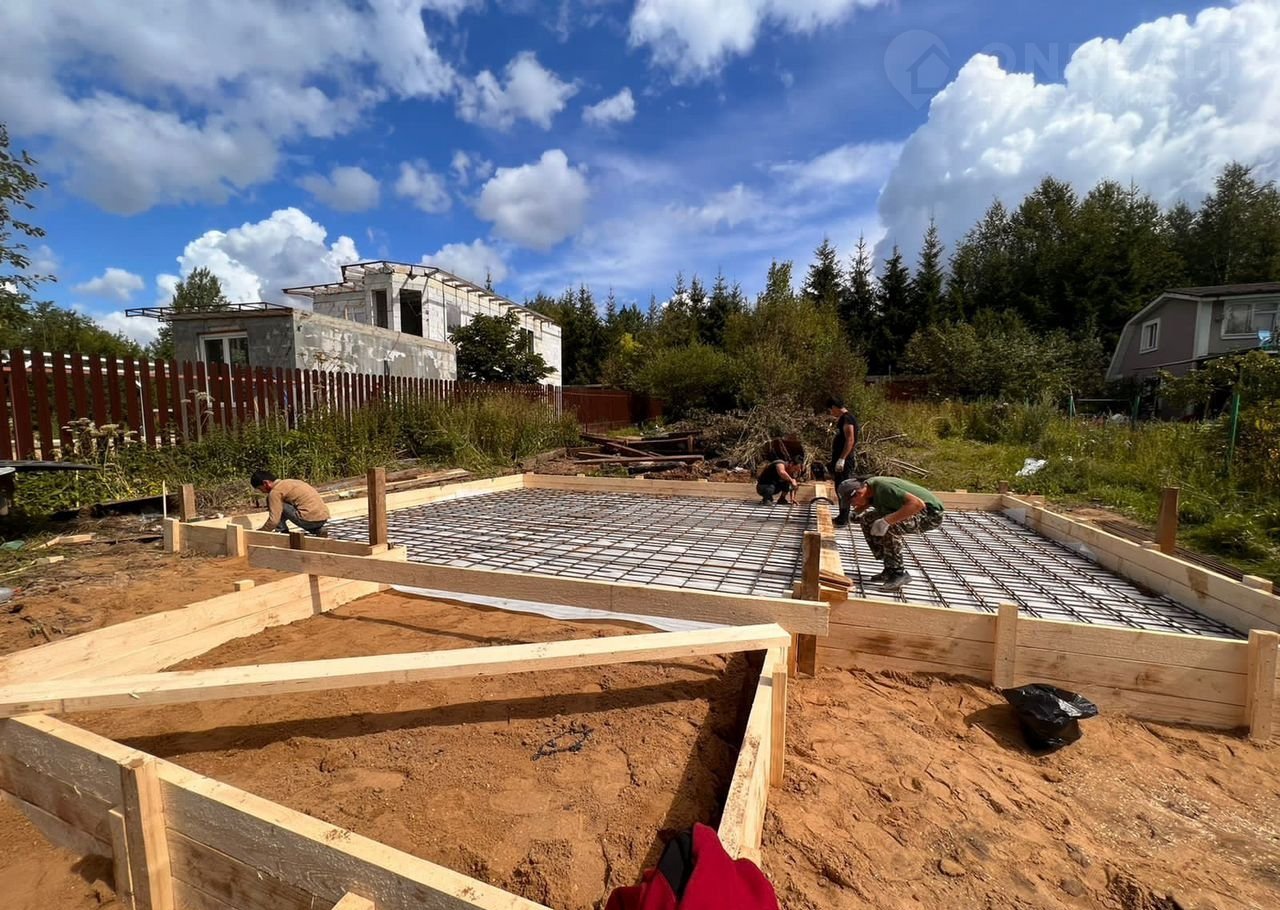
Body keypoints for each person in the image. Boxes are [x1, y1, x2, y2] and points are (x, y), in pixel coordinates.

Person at [836, 476, 945, 591]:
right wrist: (857, 512)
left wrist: (886, 521)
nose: (853, 505)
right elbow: (870, 499)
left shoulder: (884, 488)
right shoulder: (869, 488)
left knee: (890, 526)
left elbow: (917, 504)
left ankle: (899, 573)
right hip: (910, 508)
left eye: (852, 502)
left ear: (859, 493)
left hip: (930, 514)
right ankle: (889, 568)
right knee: (867, 520)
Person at [250, 470, 331, 537]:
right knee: (288, 505)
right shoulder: (291, 482)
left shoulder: (275, 492)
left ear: (266, 483)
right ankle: (318, 530)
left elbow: (274, 521)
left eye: (260, 488)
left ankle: (282, 532)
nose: (262, 492)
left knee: (276, 504)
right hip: (323, 518)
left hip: (308, 520)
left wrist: (261, 532)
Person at [826, 397, 859, 519]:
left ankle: (844, 517)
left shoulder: (847, 418)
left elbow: (850, 439)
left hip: (845, 459)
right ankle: (842, 514)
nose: (831, 413)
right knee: (840, 487)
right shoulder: (845, 418)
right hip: (841, 457)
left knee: (843, 488)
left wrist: (842, 459)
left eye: (830, 410)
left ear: (834, 407)